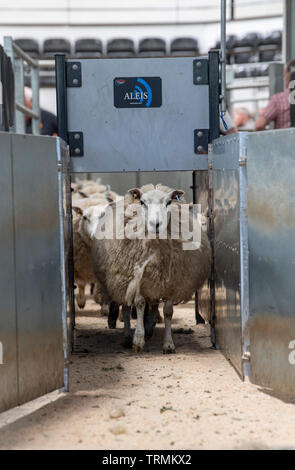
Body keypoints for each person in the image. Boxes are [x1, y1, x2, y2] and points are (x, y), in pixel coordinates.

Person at [255, 60, 295, 131]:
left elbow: (259, 125)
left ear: (289, 77)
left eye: (284, 76)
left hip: (285, 141)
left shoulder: (278, 99)